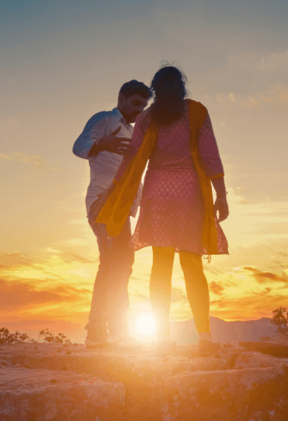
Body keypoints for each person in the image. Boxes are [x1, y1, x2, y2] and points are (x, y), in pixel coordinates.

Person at [95, 65, 229, 355]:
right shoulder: (196, 112)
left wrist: (115, 190)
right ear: (182, 87)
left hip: (157, 196)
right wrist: (221, 194)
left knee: (161, 266)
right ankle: (204, 337)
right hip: (189, 195)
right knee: (192, 265)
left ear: (155, 90)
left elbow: (133, 157)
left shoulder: (147, 117)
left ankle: (161, 338)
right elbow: (210, 154)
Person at [72, 80, 152, 348]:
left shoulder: (135, 130)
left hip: (121, 206)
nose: (139, 110)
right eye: (135, 104)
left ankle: (105, 332)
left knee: (119, 265)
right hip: (103, 203)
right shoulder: (105, 119)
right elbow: (79, 146)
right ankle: (104, 332)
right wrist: (102, 143)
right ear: (121, 98)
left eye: (144, 106)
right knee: (113, 264)